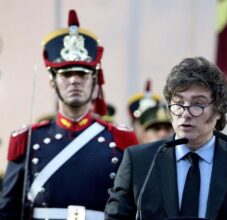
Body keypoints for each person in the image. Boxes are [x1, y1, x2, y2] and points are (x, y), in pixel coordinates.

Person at [0, 10, 139, 220]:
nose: (74, 80)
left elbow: (134, 208)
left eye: (82, 74)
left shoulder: (119, 140)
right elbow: (8, 210)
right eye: (66, 74)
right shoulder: (28, 140)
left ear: (95, 81)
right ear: (52, 82)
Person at [105, 57, 227, 219]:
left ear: (218, 110)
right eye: (179, 103)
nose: (185, 113)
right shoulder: (140, 161)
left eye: (198, 104)